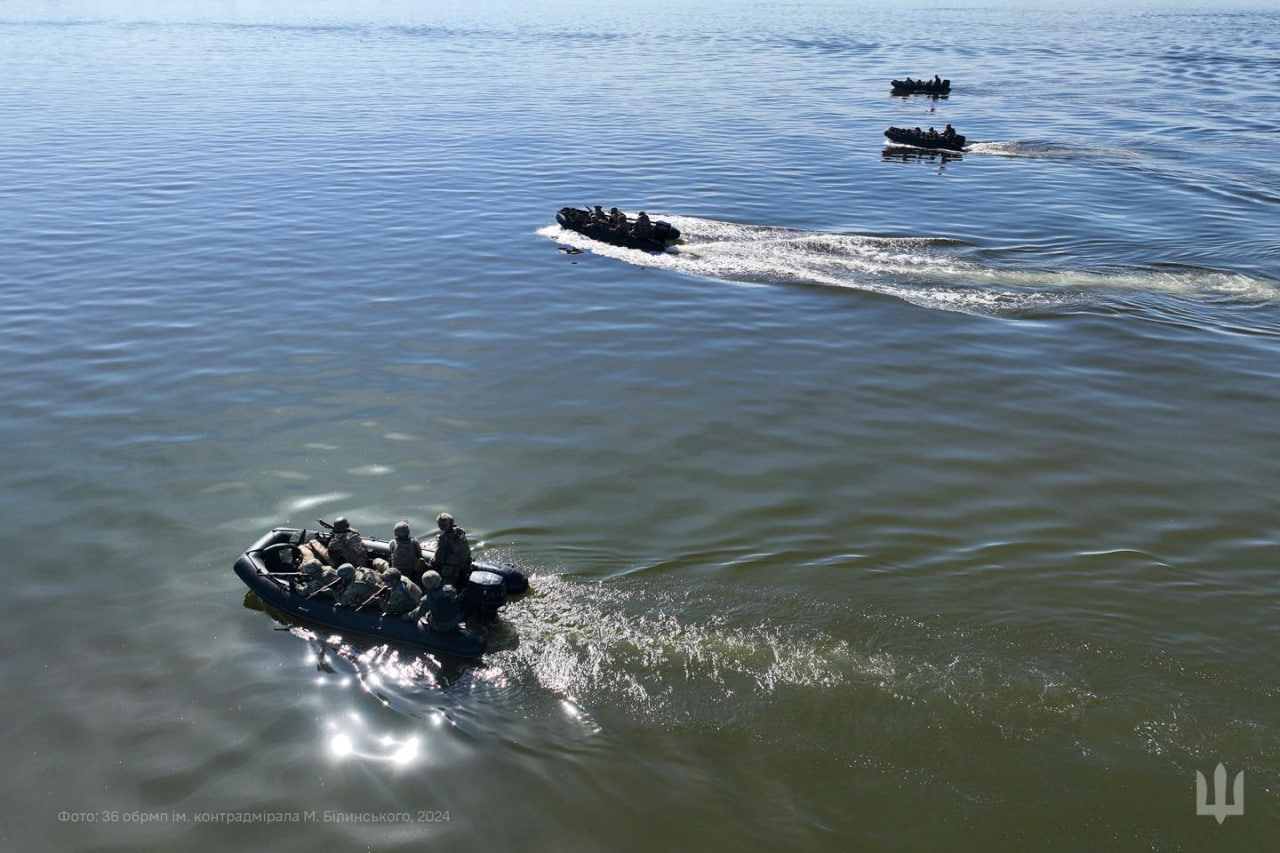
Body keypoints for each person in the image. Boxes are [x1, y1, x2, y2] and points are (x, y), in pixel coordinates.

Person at [430, 512, 472, 587]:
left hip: (453, 568)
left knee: (446, 587)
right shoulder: (460, 532)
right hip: (466, 562)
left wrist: (431, 562)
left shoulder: (444, 539)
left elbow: (438, 558)